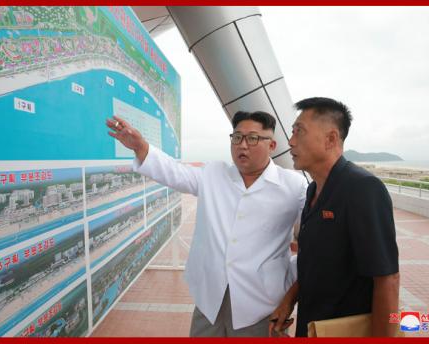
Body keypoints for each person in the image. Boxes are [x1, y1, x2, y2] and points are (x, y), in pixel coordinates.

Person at [106, 110, 308, 337]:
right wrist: (140, 147)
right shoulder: (214, 174)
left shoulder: (294, 186)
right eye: (237, 137)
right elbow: (176, 173)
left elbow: (311, 245)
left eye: (252, 138)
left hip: (263, 302)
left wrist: (290, 293)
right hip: (211, 298)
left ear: (271, 145)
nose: (242, 145)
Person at [269, 97, 400, 337]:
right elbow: (316, 263)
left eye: (299, 132)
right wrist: (289, 300)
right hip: (312, 328)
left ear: (330, 139)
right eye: (292, 132)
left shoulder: (363, 189)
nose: (290, 141)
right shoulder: (313, 190)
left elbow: (387, 279)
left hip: (345, 331)